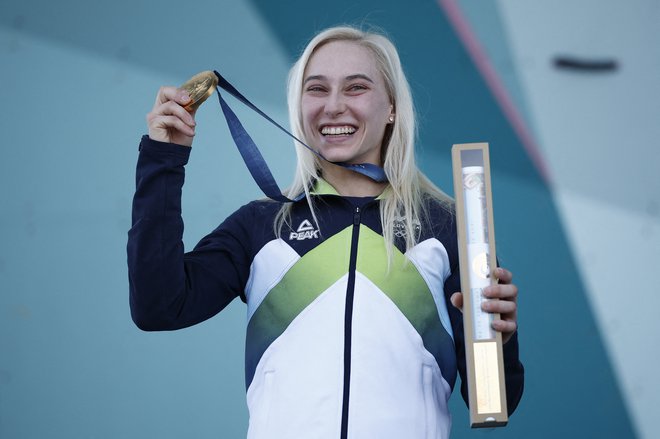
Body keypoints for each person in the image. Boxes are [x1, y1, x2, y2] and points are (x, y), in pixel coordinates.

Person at [128, 25, 523, 439]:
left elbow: (494, 400)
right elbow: (158, 307)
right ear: (299, 107)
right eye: (317, 89)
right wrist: (164, 159)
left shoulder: (448, 226)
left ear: (391, 107)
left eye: (356, 88)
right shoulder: (263, 224)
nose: (334, 106)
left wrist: (500, 338)